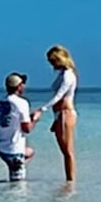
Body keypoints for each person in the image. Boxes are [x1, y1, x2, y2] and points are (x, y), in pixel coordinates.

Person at [32, 45, 78, 190]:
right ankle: (68, 181)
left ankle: (71, 183)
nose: (51, 64)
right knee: (63, 151)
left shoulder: (68, 75)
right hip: (59, 114)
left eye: (53, 61)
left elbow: (59, 96)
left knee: (68, 151)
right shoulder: (62, 74)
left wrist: (42, 109)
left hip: (66, 113)